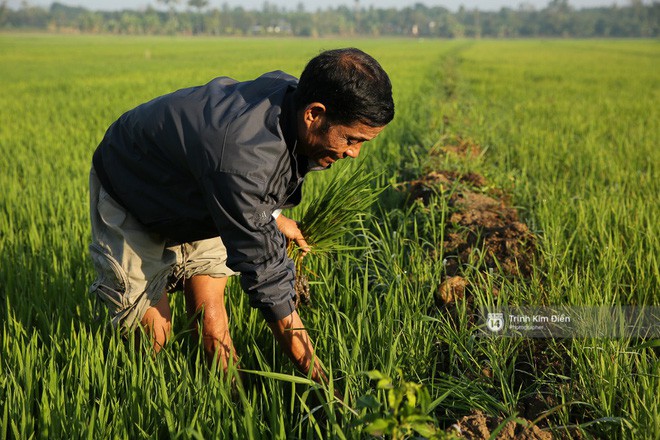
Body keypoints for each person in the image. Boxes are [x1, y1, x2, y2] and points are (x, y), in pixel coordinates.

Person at [88, 47, 394, 384]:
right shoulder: (239, 161)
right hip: (134, 183)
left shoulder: (293, 102)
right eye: (351, 139)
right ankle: (143, 396)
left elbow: (260, 176)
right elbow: (268, 279)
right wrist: (321, 379)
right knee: (154, 335)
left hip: (204, 189)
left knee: (209, 312)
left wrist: (273, 215)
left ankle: (230, 396)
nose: (354, 152)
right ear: (314, 114)